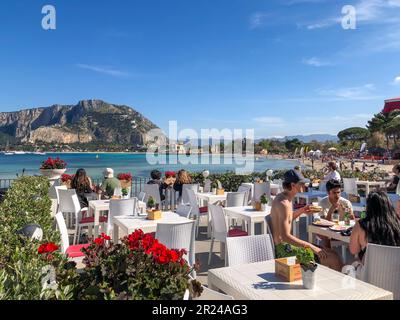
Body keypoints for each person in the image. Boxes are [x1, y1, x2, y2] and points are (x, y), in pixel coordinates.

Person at [269, 169, 343, 271]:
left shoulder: (285, 198)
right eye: (301, 183)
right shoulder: (284, 203)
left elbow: (287, 219)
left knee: (333, 253)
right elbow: (285, 236)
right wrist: (312, 247)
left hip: (287, 246)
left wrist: (302, 210)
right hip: (284, 250)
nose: (304, 186)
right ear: (293, 185)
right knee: (334, 259)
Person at [349, 191, 400, 264]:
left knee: (350, 265)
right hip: (394, 273)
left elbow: (353, 250)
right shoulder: (397, 224)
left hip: (369, 272)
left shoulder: (361, 225)